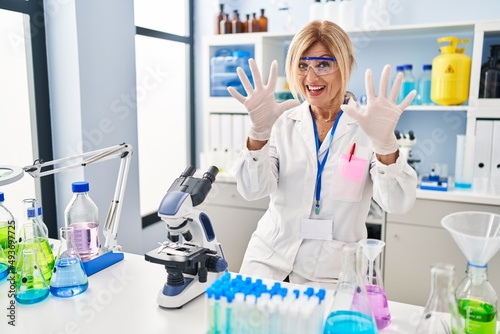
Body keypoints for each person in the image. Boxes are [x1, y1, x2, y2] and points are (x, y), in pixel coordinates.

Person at [227, 20, 417, 289]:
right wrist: (258, 132)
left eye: (323, 64)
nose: (310, 78)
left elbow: (397, 203)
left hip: (334, 272)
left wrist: (386, 145)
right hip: (268, 261)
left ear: (346, 64)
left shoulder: (369, 128)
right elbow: (252, 189)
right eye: (302, 65)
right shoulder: (281, 120)